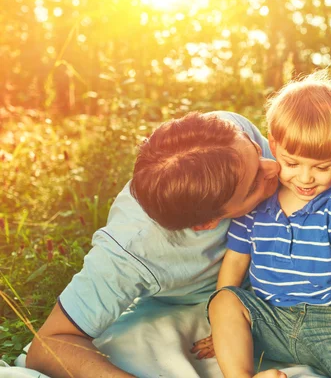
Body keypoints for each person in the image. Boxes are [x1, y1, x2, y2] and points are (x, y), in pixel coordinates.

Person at [26, 111, 281, 377]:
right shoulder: (130, 251)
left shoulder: (231, 135)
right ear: (206, 223)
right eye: (253, 186)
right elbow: (49, 344)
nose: (274, 167)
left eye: (254, 148)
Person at [204, 74, 331, 378]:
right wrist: (223, 327)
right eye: (292, 163)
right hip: (270, 319)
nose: (306, 178)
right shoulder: (256, 201)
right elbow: (235, 261)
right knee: (223, 301)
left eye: (321, 167)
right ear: (273, 145)